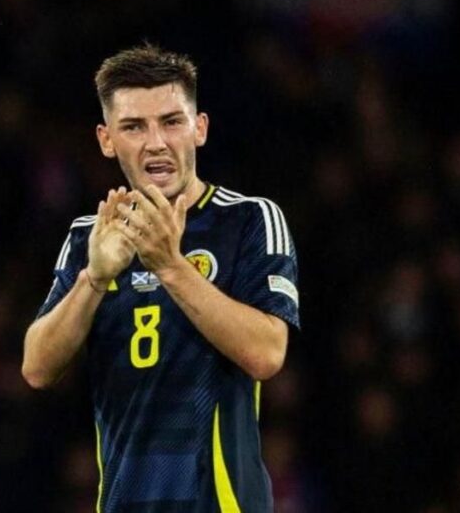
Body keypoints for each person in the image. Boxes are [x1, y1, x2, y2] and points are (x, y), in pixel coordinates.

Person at [22, 44, 299, 512]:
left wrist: (170, 266)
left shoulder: (249, 220)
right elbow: (37, 367)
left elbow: (267, 353)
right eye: (133, 126)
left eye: (172, 122)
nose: (156, 142)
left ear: (200, 129)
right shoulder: (90, 238)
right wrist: (93, 278)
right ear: (106, 139)